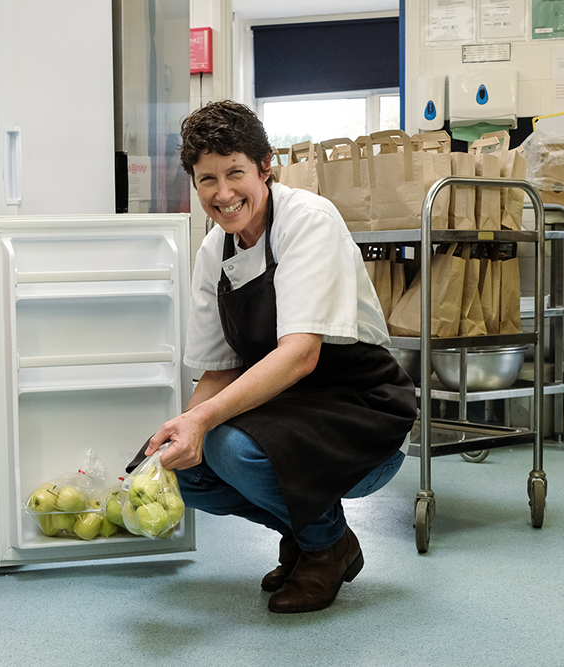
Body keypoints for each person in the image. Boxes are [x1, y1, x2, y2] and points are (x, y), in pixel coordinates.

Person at [141, 100, 418, 614]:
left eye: (235, 173)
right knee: (183, 470)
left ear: (265, 167)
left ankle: (325, 548)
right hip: (286, 411)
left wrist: (203, 422)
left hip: (359, 408)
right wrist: (178, 433)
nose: (223, 193)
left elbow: (300, 356)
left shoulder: (308, 219)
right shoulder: (213, 252)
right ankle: (314, 534)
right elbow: (221, 369)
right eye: (207, 180)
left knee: (229, 448)